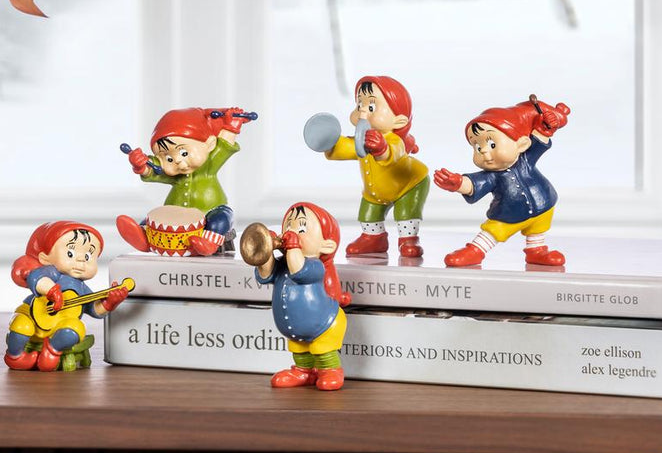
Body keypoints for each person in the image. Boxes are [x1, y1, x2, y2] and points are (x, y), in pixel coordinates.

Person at [434, 97, 570, 267]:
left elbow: (541, 137)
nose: (483, 151)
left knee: (538, 230)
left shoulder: (526, 158)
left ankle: (536, 251)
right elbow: (473, 184)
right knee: (493, 231)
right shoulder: (491, 176)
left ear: (521, 144)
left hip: (544, 203)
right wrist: (458, 183)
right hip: (509, 214)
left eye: (492, 144)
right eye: (477, 147)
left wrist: (547, 124)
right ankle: (476, 250)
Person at [118, 107, 254, 256]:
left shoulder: (210, 164)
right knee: (151, 221)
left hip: (210, 209)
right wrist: (141, 164)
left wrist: (232, 126)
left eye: (184, 152)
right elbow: (154, 169)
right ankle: (143, 237)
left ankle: (208, 243)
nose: (177, 161)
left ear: (209, 144)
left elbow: (223, 146)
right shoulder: (174, 174)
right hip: (174, 213)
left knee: (221, 218)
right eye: (168, 158)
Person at [322, 76, 429, 258]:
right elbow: (342, 148)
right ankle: (374, 238)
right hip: (375, 192)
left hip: (409, 184)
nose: (363, 111)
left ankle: (408, 240)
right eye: (359, 105)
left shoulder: (394, 140)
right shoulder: (361, 139)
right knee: (368, 214)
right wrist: (327, 140)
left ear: (399, 121)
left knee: (406, 214)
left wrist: (382, 149)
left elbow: (393, 153)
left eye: (371, 107)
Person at [5, 221, 128, 371]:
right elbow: (37, 278)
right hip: (31, 315)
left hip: (59, 326)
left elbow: (94, 309)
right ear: (45, 258)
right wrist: (51, 291)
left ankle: (52, 351)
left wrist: (109, 303)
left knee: (77, 328)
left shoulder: (82, 288)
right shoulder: (51, 272)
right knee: (21, 325)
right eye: (70, 253)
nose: (81, 260)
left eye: (88, 256)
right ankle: (15, 356)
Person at [254, 202, 351, 391]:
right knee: (299, 349)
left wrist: (293, 245)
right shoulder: (283, 264)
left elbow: (298, 270)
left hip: (325, 323)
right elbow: (265, 275)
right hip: (297, 329)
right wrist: (264, 252)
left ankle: (331, 370)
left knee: (323, 350)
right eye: (288, 227)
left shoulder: (315, 266)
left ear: (327, 246)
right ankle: (303, 371)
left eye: (301, 228)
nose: (291, 232)